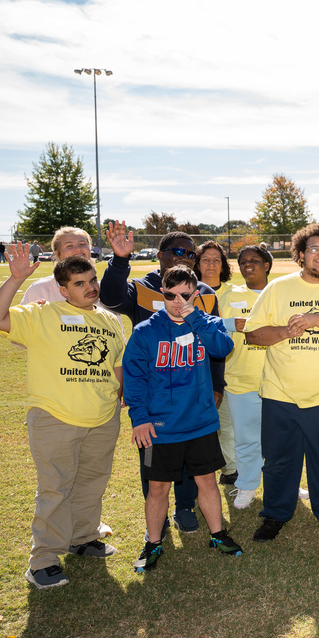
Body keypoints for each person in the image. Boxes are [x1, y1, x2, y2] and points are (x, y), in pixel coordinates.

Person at [0, 250, 124, 589]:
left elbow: (116, 366)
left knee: (92, 481)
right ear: (63, 289)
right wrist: (16, 278)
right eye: (79, 284)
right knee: (55, 487)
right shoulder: (42, 315)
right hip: (55, 417)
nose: (90, 288)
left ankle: (83, 537)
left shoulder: (110, 320)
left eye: (93, 280)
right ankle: (43, 560)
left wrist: (124, 396)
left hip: (103, 417)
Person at [243, 222, 319, 542]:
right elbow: (254, 334)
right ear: (300, 254)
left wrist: (316, 320)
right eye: (314, 249)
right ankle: (274, 514)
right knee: (279, 460)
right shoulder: (279, 288)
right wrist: (286, 331)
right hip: (280, 394)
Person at [100, 223, 224, 534]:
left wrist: (217, 384)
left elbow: (216, 343)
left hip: (193, 393)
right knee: (155, 465)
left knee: (192, 461)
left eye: (190, 253)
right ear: (160, 255)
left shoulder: (205, 294)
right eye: (177, 251)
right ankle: (158, 520)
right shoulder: (143, 286)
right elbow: (112, 298)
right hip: (156, 397)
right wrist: (119, 260)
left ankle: (185, 507)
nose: (184, 258)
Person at [125, 265, 242, 572]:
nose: (177, 301)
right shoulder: (146, 331)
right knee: (158, 488)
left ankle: (218, 535)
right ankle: (153, 542)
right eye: (169, 294)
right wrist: (140, 418)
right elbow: (134, 378)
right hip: (161, 428)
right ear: (162, 293)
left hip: (201, 422)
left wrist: (195, 318)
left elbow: (223, 347)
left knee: (207, 481)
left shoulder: (205, 323)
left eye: (185, 295)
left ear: (196, 294)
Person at [218, 245, 273, 509]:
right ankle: (247, 486)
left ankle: (283, 483)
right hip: (241, 378)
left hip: (279, 380)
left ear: (267, 265)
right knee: (245, 438)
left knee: (280, 440)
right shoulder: (228, 295)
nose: (248, 264)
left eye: (254, 260)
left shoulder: (280, 292)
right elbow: (216, 329)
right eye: (242, 261)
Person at [194, 241, 238, 486]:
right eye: (205, 259)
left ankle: (231, 469)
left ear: (224, 265)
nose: (211, 264)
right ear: (197, 264)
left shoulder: (234, 292)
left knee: (227, 422)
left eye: (216, 259)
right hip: (195, 370)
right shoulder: (188, 291)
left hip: (229, 367)